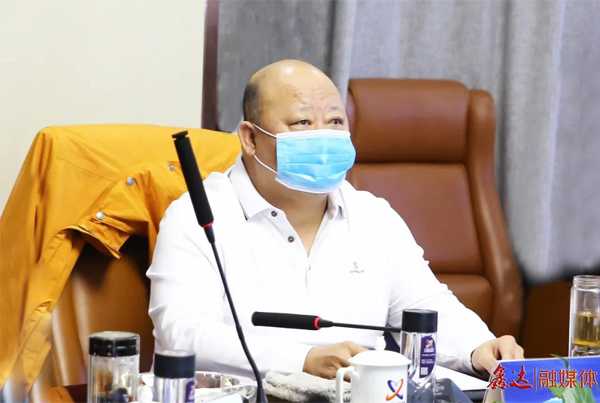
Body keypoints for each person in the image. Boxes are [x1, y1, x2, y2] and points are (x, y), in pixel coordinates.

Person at [147, 59, 524, 380]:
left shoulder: (373, 216)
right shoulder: (198, 216)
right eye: (302, 122)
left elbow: (426, 306)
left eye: (335, 121)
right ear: (250, 138)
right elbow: (182, 334)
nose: (323, 136)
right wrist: (303, 361)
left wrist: (479, 347)